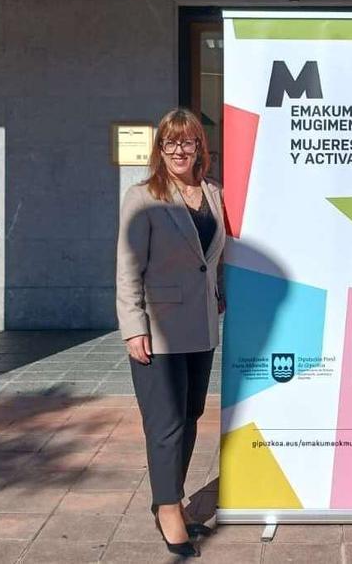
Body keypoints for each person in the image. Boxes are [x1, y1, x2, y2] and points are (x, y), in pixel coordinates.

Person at [116, 107, 226, 558]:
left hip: (200, 324)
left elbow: (213, 257)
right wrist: (131, 326)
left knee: (192, 413)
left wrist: (219, 292)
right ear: (160, 150)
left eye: (189, 142)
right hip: (157, 328)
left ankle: (173, 496)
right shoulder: (142, 196)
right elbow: (127, 266)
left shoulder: (214, 194)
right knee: (165, 424)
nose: (181, 150)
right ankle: (167, 509)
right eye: (171, 143)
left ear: (200, 146)